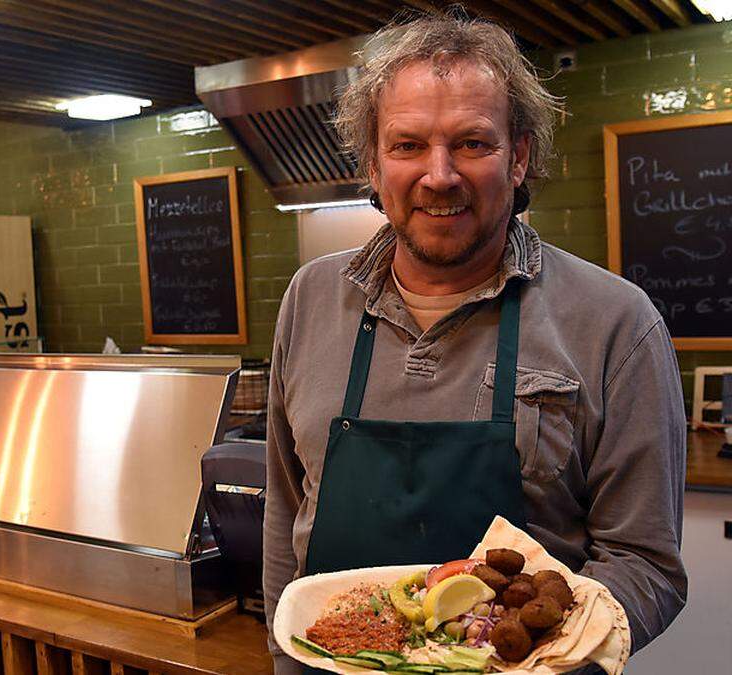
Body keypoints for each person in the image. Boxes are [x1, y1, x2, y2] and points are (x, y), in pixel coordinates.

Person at [263, 13, 687, 674]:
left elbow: (647, 562)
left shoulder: (615, 323)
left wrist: (551, 659)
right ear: (372, 163)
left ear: (518, 156)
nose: (439, 175)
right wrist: (286, 656)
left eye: (471, 142)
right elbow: (286, 520)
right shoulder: (311, 299)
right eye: (407, 145)